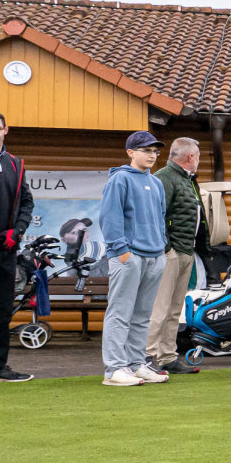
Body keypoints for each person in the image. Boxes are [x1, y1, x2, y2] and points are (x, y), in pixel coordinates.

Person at [98, 131, 171, 387]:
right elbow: (109, 218)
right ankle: (114, 369)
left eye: (154, 151)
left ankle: (136, 364)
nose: (152, 155)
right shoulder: (120, 179)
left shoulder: (156, 183)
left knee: (142, 315)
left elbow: (160, 218)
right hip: (129, 256)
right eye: (146, 150)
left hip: (154, 256)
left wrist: (161, 249)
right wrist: (122, 252)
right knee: (120, 313)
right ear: (130, 152)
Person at [0, 111, 36, 384]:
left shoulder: (15, 163)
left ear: (6, 130)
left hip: (7, 249)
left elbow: (26, 202)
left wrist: (18, 231)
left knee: (1, 311)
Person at [144, 137, 205, 376]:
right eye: (198, 156)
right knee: (159, 308)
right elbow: (157, 215)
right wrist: (167, 248)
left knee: (173, 309)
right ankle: (148, 357)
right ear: (190, 156)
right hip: (171, 253)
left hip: (186, 251)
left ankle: (167, 356)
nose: (198, 160)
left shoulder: (186, 179)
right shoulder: (165, 177)